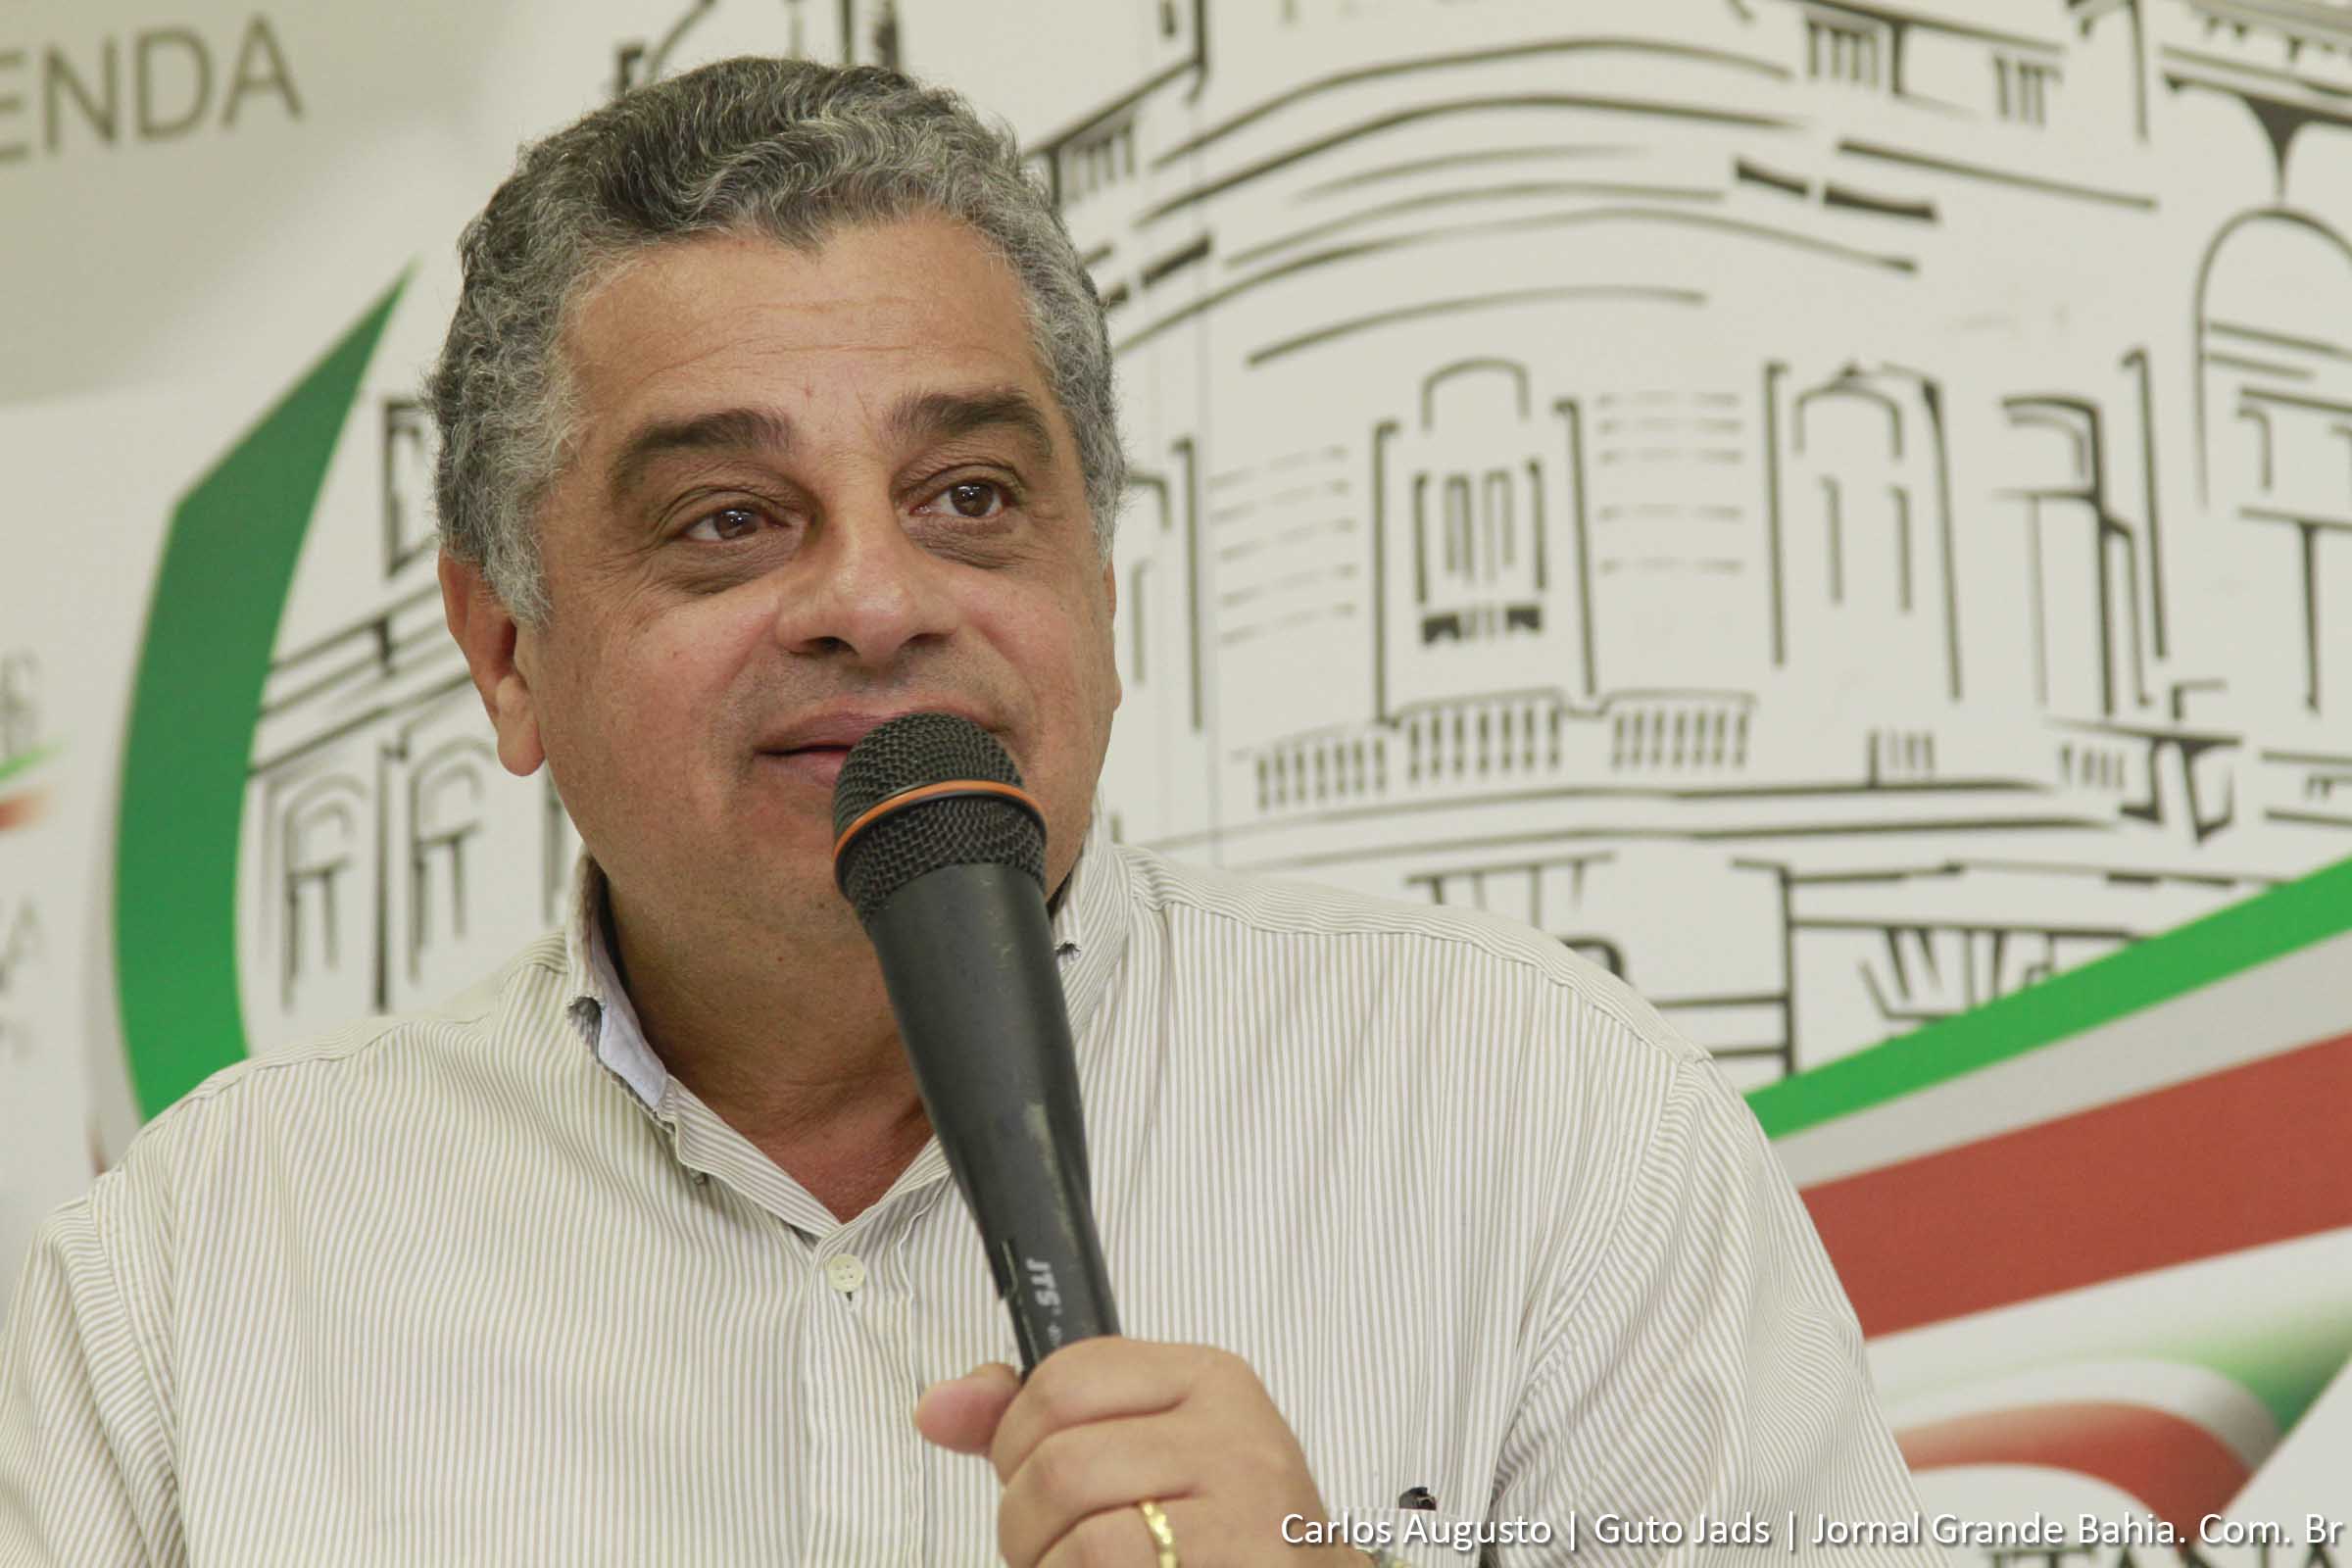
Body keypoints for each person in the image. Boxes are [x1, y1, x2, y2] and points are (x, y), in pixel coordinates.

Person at [0, 57, 1936, 1566]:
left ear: (1103, 585)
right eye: (730, 520)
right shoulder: (201, 1268)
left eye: (972, 499)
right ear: (506, 650)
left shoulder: (1545, 1117)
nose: (874, 596)